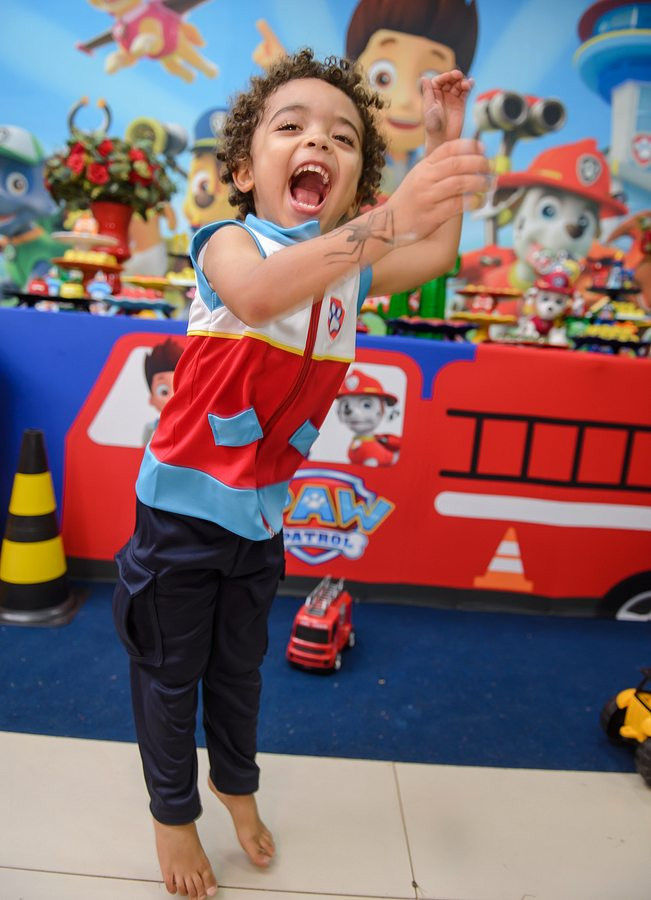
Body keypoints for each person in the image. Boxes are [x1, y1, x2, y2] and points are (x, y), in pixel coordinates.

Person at [112, 48, 488, 899]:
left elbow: (434, 254)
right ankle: (173, 814)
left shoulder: (349, 270)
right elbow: (257, 297)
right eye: (292, 127)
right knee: (170, 675)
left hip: (259, 521)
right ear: (247, 171)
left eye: (343, 137)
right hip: (179, 516)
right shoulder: (230, 243)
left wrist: (443, 143)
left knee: (238, 672)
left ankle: (234, 786)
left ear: (356, 184)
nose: (318, 140)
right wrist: (385, 222)